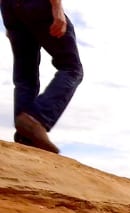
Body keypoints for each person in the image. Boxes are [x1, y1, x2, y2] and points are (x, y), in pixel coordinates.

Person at [1, 0, 83, 154]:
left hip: (9, 8)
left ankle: (26, 138)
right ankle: (36, 118)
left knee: (25, 76)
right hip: (37, 4)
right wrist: (57, 8)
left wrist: (10, 20)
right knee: (72, 68)